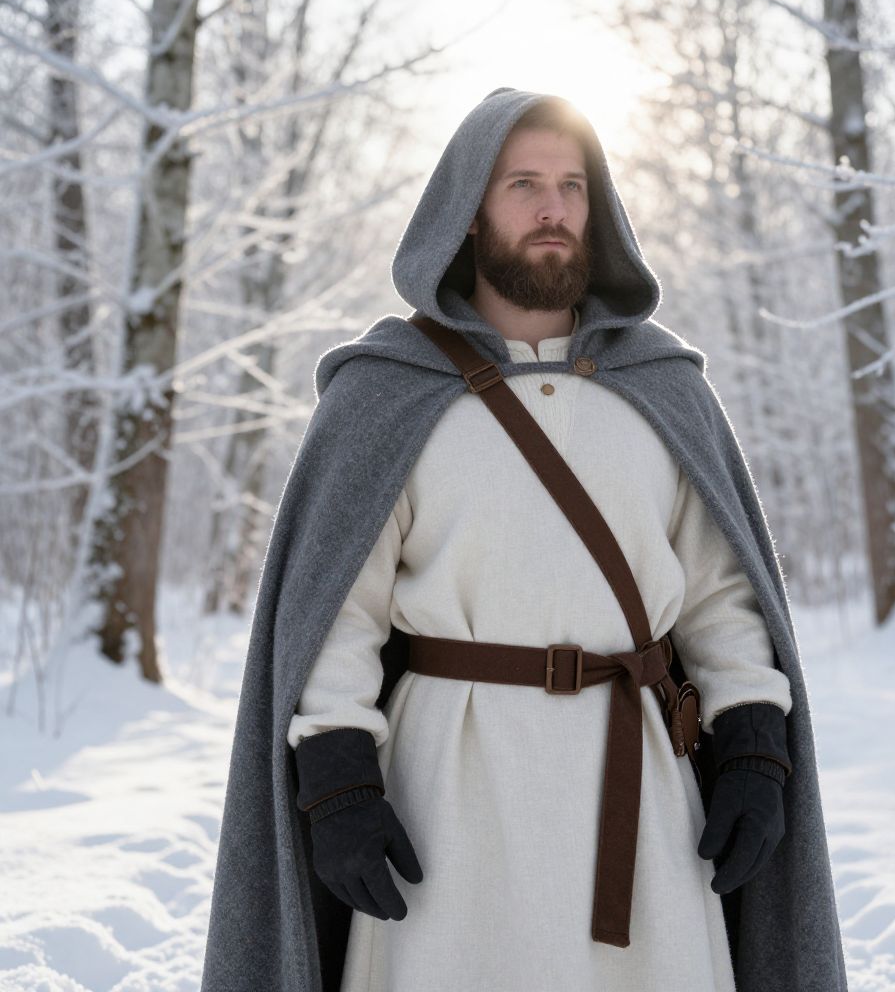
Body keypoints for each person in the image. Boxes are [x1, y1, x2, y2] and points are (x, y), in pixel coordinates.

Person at [200, 88, 848, 992]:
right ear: (468, 212)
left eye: (573, 187)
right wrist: (339, 775)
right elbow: (338, 612)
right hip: (450, 795)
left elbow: (718, 597)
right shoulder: (386, 394)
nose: (554, 209)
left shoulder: (665, 391)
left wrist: (754, 744)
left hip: (640, 795)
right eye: (525, 185)